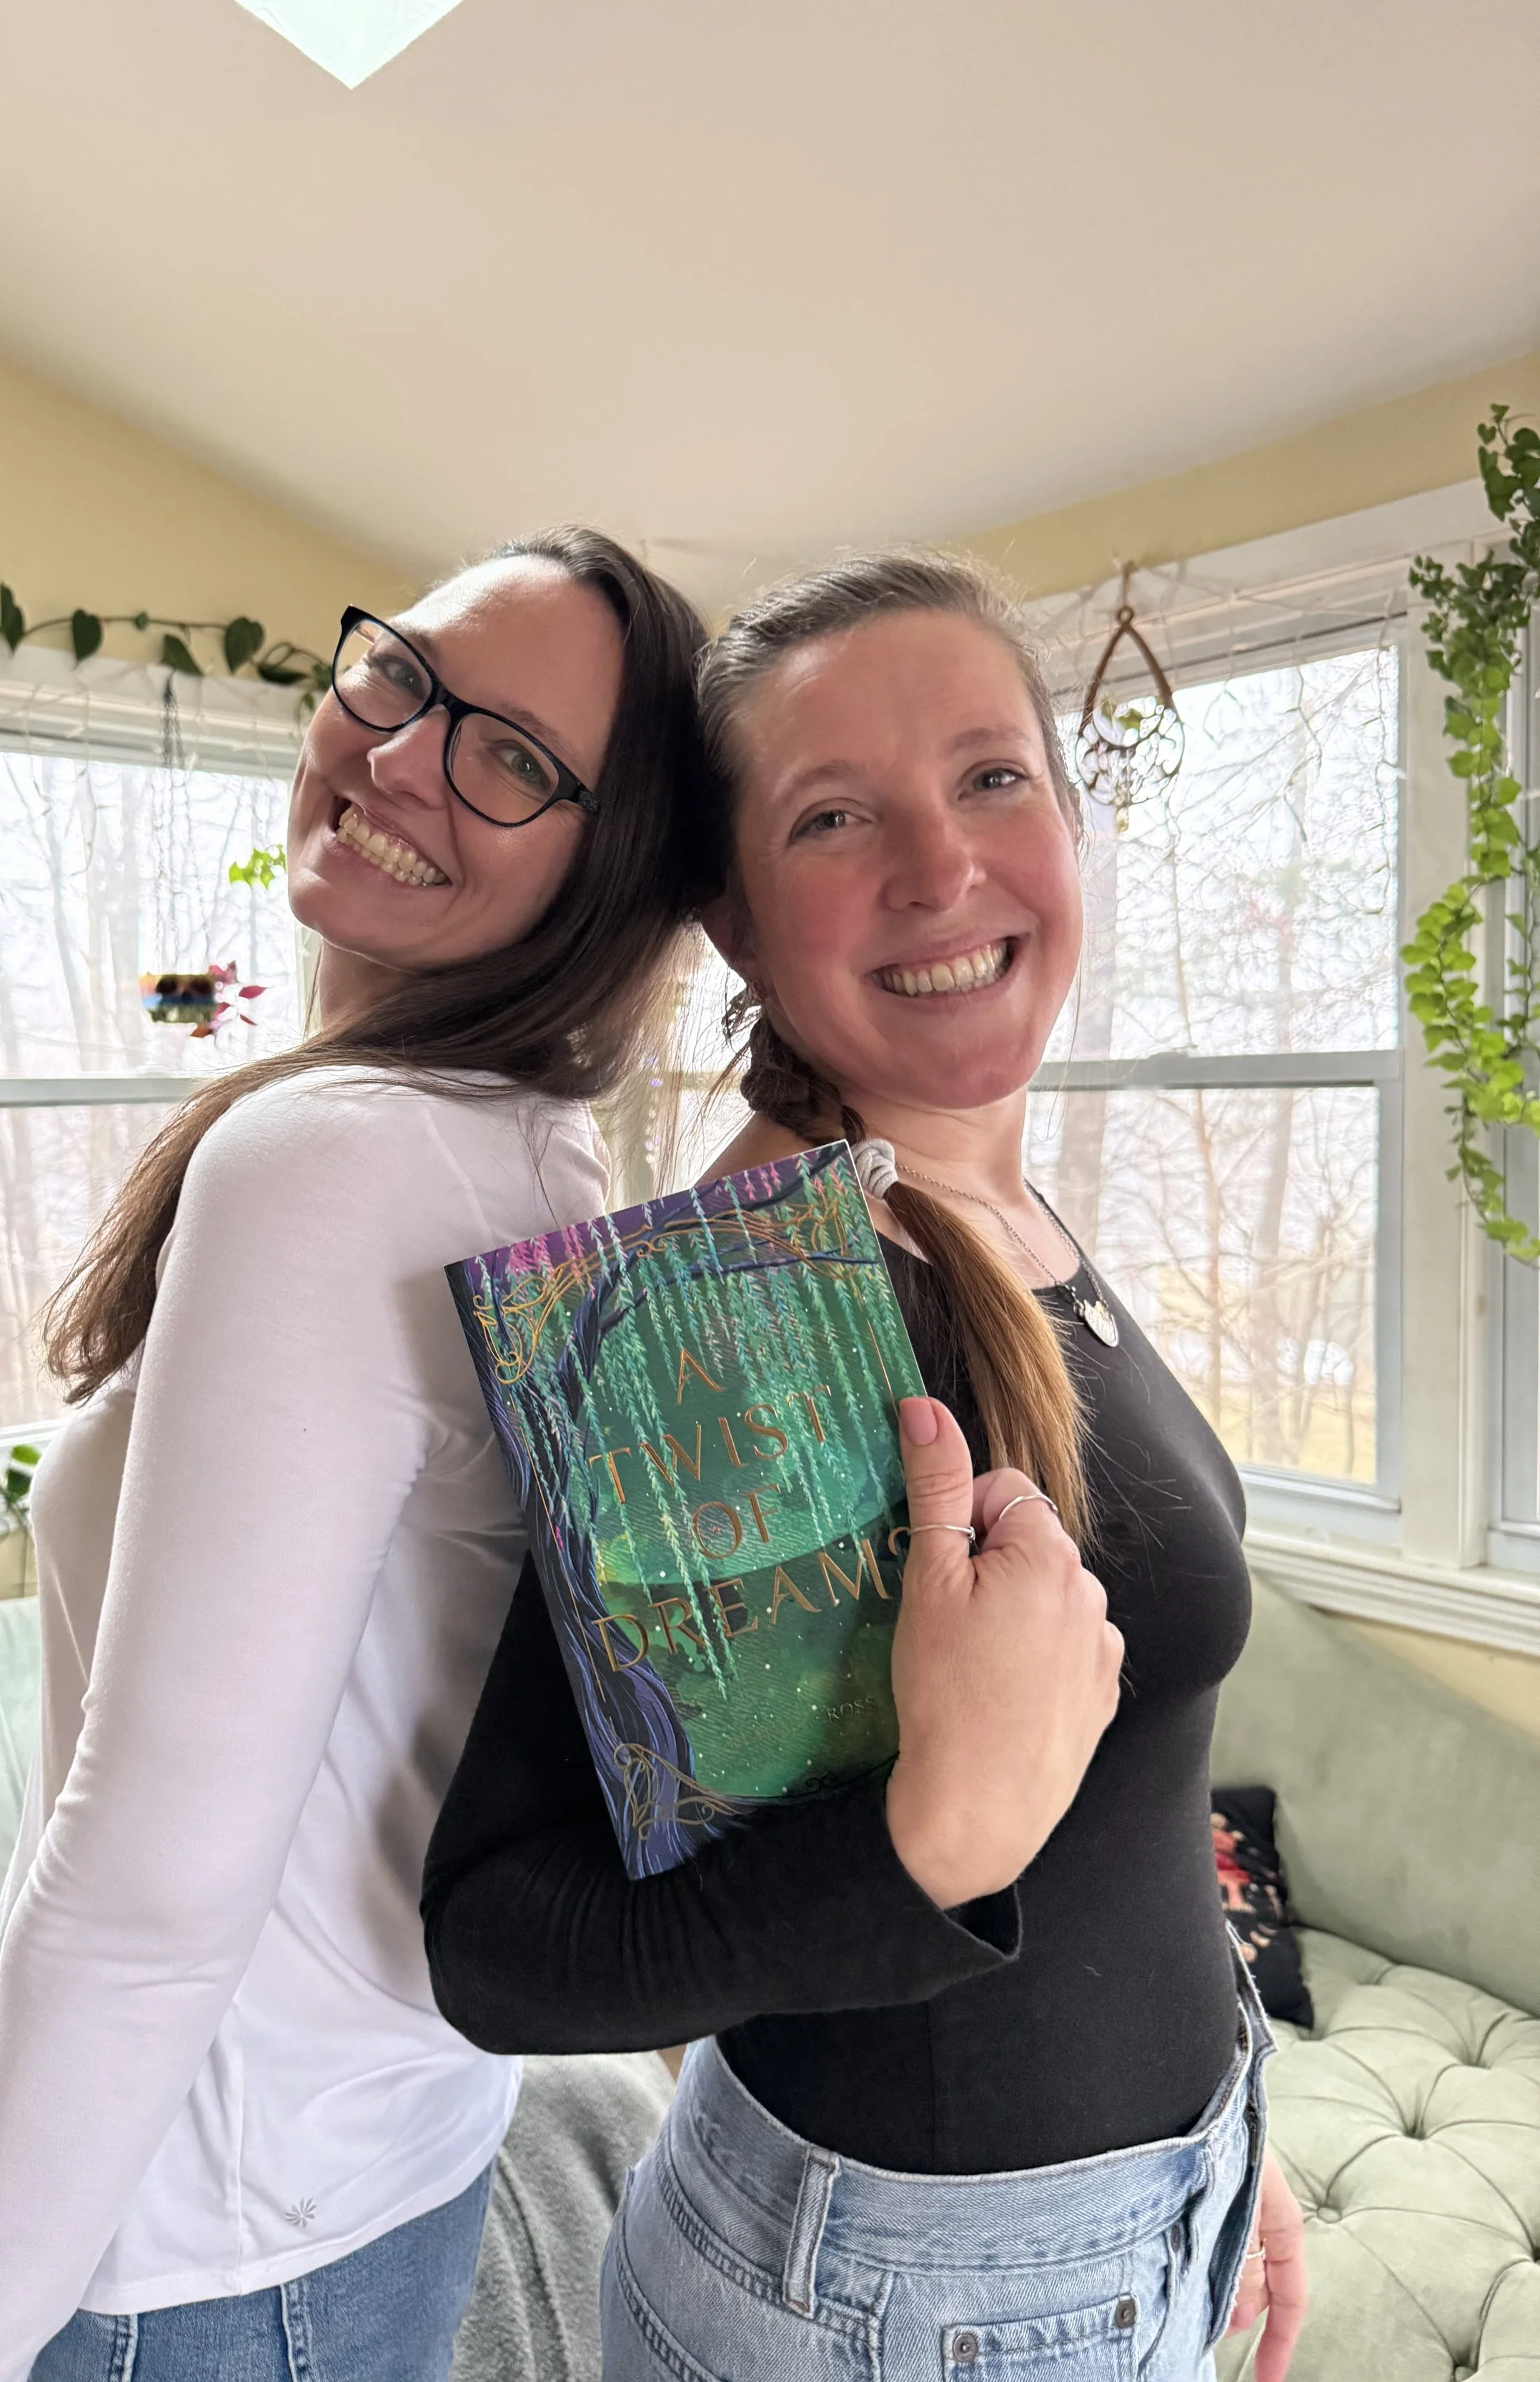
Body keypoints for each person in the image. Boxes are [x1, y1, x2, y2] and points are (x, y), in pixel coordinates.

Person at [422, 552, 1308, 2381]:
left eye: (990, 776)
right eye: (835, 815)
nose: (939, 867)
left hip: (1118, 2219)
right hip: (907, 2307)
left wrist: (1222, 2137)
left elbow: (1113, 1810)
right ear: (734, 923)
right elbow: (503, 1944)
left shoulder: (993, 1199)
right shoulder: (738, 1315)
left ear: (1068, 816)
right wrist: (926, 1842)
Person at [0, 530, 710, 2382]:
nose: (406, 753)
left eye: (512, 758)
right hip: (366, 2170)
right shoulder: (526, 1150)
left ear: (609, 869)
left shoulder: (335, 1167)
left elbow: (155, 1874)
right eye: (400, 675)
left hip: (194, 2248)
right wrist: (4, 2106)